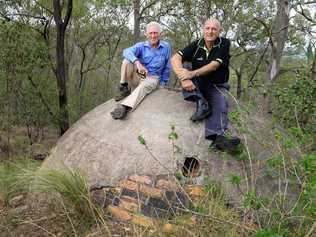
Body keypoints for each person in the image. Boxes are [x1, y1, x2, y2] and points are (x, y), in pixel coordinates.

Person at [171, 18, 241, 154]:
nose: (210, 31)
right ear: (203, 29)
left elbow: (215, 65)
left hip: (217, 84)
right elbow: (175, 58)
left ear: (219, 31)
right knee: (184, 70)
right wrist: (183, 77)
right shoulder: (197, 44)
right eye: (207, 28)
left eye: (214, 29)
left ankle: (218, 139)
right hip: (199, 83)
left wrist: (191, 74)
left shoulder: (224, 44)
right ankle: (201, 103)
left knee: (221, 102)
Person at [111, 22, 171, 119]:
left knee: (145, 85)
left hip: (152, 77)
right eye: (150, 33)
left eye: (155, 33)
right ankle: (124, 88)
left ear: (160, 34)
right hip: (139, 75)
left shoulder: (166, 47)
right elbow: (126, 51)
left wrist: (163, 83)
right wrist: (137, 62)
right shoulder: (141, 46)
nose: (153, 35)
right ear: (146, 34)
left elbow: (168, 66)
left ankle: (125, 106)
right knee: (127, 61)